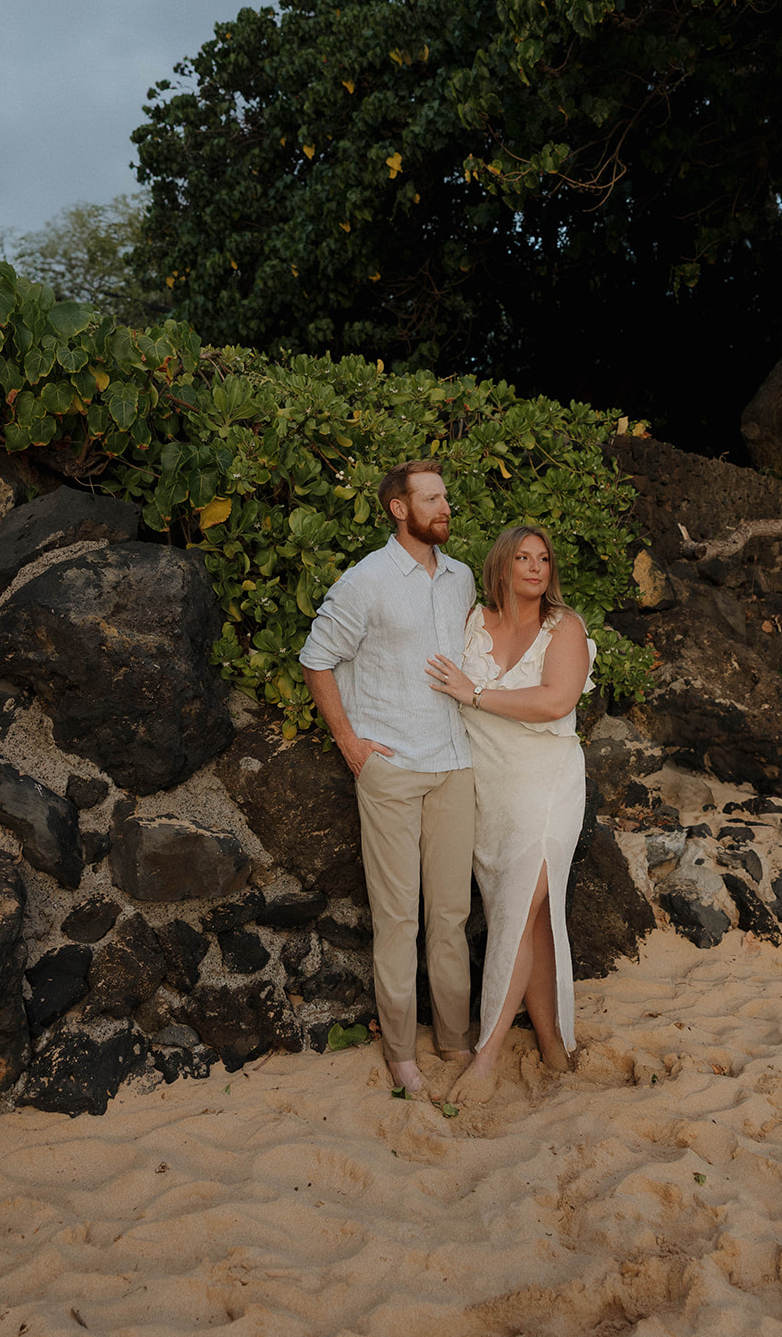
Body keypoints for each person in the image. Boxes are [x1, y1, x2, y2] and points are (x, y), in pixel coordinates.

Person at [299, 460, 476, 1097]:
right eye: (432, 498)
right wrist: (350, 743)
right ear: (399, 509)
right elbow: (316, 658)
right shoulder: (366, 581)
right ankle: (402, 1051)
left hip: (456, 765)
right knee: (397, 919)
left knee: (451, 915)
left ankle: (455, 1037)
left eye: (446, 497)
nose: (444, 507)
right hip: (392, 769)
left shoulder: (462, 578)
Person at [426, 525, 595, 1102]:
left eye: (543, 558)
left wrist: (475, 694)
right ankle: (552, 1044)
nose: (534, 567)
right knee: (532, 916)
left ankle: (488, 1054)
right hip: (489, 790)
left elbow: (555, 700)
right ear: (502, 565)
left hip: (545, 788)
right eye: (522, 557)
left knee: (517, 913)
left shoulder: (564, 627)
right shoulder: (473, 620)